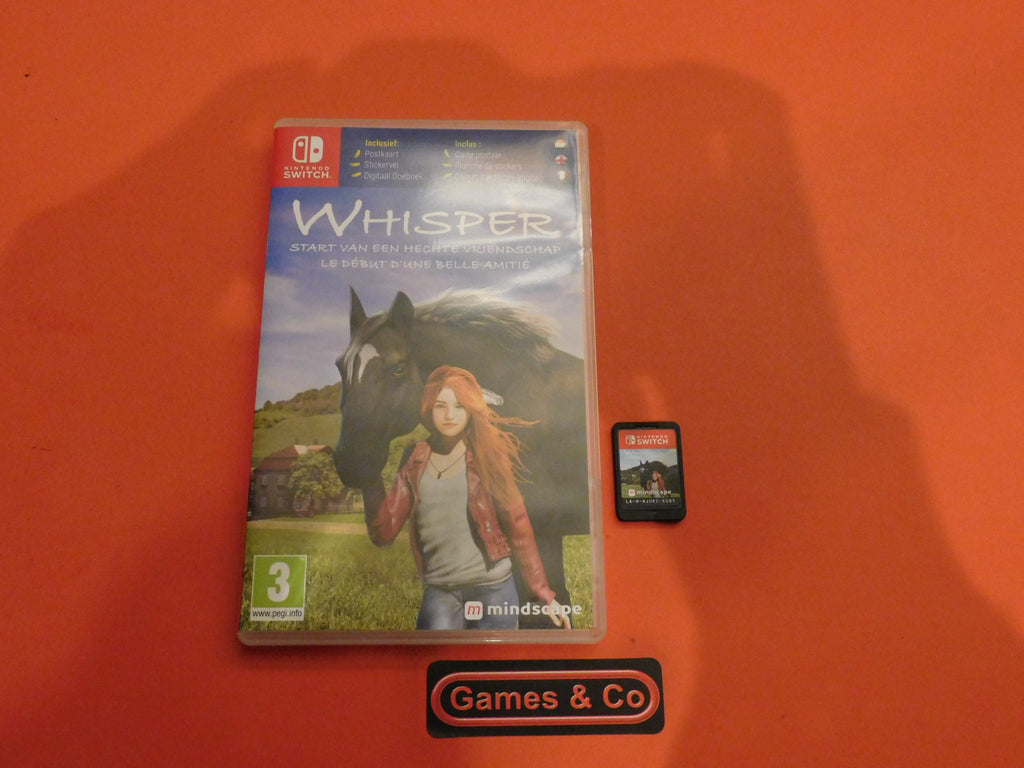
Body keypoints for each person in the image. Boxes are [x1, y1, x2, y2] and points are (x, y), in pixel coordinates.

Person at [365, 365, 571, 630]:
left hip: (493, 589)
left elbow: (517, 523)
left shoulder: (487, 455)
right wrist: (368, 478)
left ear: (471, 409)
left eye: (459, 406)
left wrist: (543, 593)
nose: (449, 415)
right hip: (440, 591)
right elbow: (384, 532)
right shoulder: (414, 457)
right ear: (429, 409)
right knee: (436, 655)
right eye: (440, 406)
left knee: (490, 659)